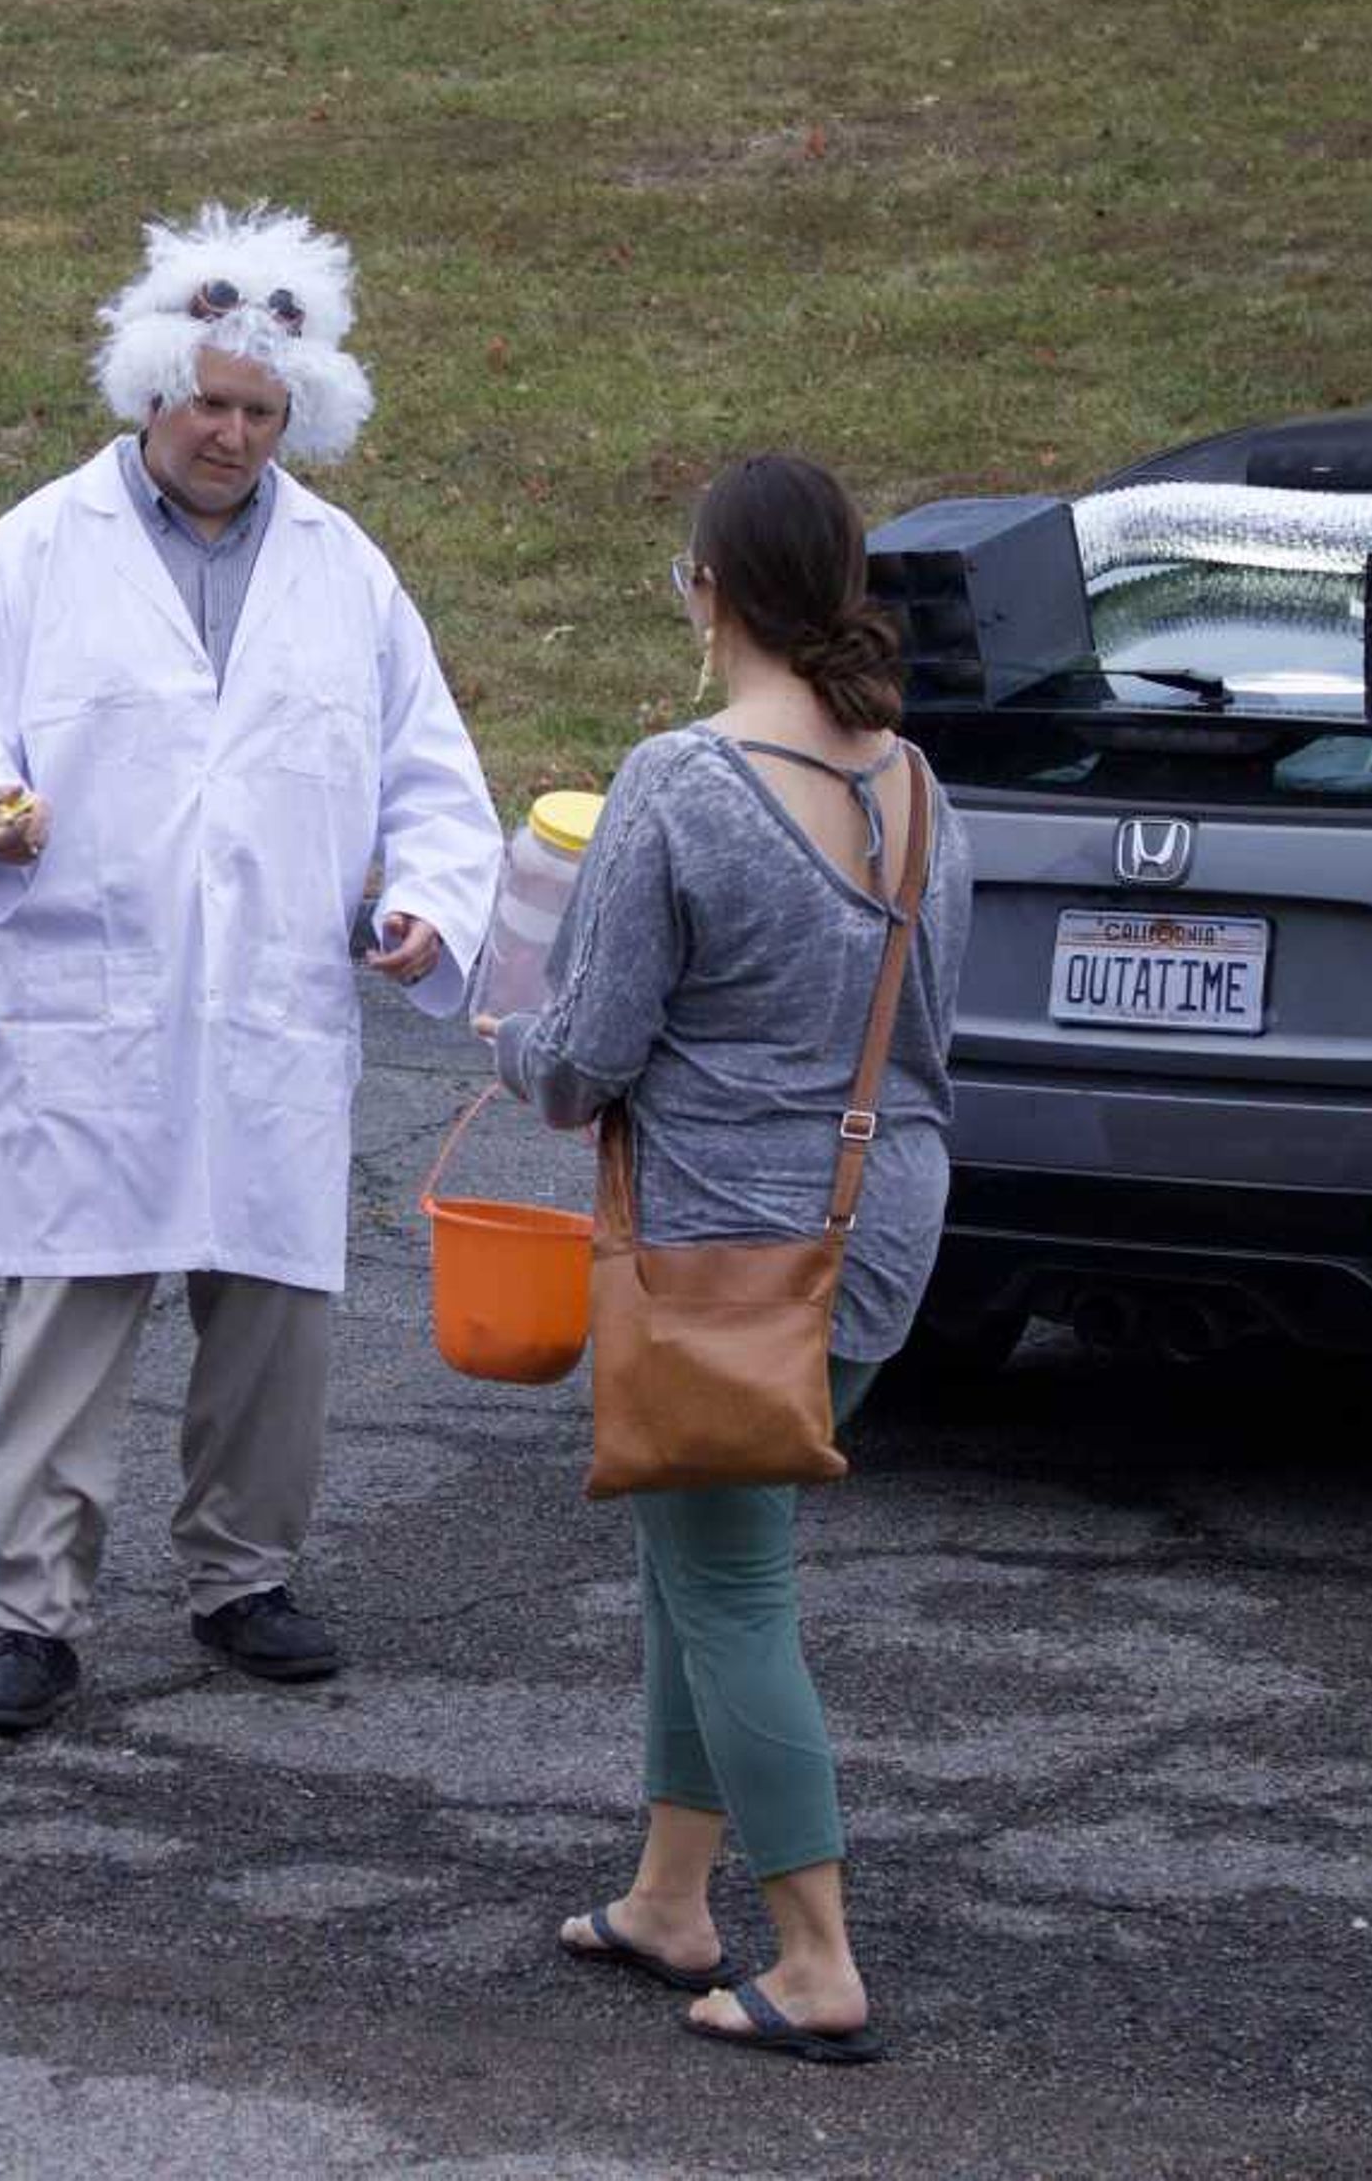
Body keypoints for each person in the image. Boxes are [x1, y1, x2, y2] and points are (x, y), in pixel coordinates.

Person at [0, 202, 501, 1734]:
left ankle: (242, 1574)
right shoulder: (40, 548)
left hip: (273, 1009)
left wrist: (426, 899)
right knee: (71, 1318)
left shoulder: (347, 572)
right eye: (209, 403)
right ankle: (32, 1608)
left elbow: (431, 775)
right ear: (152, 389)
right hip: (91, 1002)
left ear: (300, 417)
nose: (231, 434)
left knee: (274, 1317)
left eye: (260, 412)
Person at [480, 452, 969, 2062]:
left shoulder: (679, 780)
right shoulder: (913, 782)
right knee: (695, 1555)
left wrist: (501, 1038)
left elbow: (585, 1058)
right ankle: (667, 1895)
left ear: (711, 587)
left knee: (730, 1580)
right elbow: (926, 1039)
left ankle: (817, 1953)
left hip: (722, 1255)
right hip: (877, 1230)